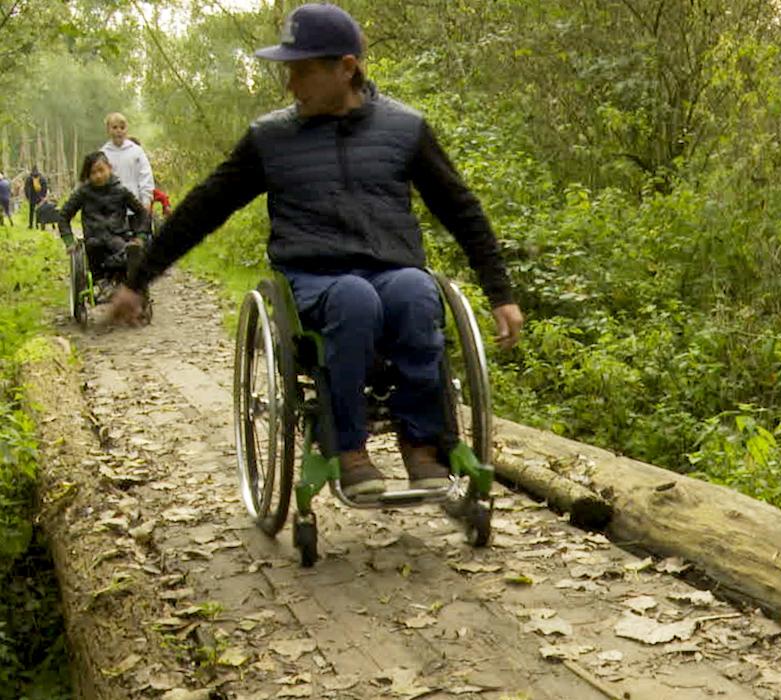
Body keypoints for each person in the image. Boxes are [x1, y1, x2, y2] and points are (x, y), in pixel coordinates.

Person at [110, 3, 524, 500]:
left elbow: (462, 210)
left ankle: (422, 443)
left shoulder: (405, 129)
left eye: (301, 71)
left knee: (417, 291)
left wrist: (500, 292)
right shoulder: (271, 139)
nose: (291, 85)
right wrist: (140, 279)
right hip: (315, 278)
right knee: (353, 299)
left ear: (345, 68)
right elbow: (203, 209)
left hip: (392, 269)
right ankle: (347, 447)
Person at [58, 151, 149, 283]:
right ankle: (103, 279)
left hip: (117, 238)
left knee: (128, 251)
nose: (98, 176)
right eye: (93, 173)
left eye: (101, 170)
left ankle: (129, 280)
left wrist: (141, 236)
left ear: (109, 168)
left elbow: (143, 213)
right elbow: (63, 216)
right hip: (94, 241)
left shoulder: (121, 191)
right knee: (96, 247)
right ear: (88, 175)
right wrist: (69, 241)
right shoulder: (83, 193)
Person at [100, 113, 154, 208]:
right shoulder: (103, 154)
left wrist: (146, 200)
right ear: (108, 130)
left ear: (126, 130)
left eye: (122, 127)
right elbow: (100, 180)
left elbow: (145, 175)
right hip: (112, 208)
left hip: (136, 206)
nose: (119, 131)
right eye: (115, 127)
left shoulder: (136, 151)